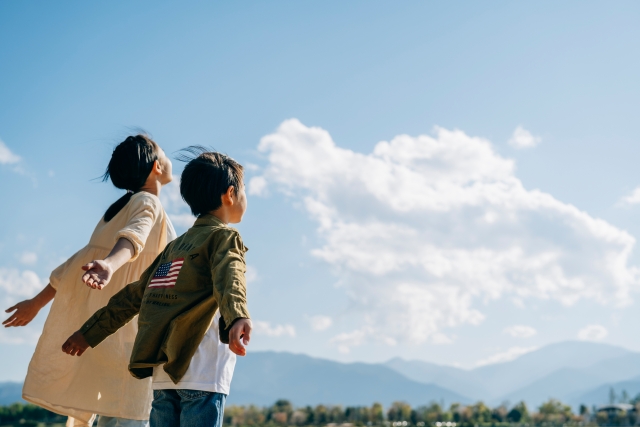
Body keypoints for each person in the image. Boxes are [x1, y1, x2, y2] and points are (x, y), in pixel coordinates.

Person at [61, 148, 253, 427]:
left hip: (164, 376)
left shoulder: (173, 249)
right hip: (202, 370)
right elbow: (231, 276)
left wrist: (89, 332)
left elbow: (133, 296)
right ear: (230, 193)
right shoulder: (225, 237)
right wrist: (238, 315)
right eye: (244, 191)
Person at [3, 135, 175, 427]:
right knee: (131, 415)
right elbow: (134, 237)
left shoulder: (117, 210)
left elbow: (75, 263)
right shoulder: (147, 202)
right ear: (156, 166)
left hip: (104, 338)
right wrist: (110, 264)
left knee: (112, 416)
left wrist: (37, 302)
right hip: (130, 337)